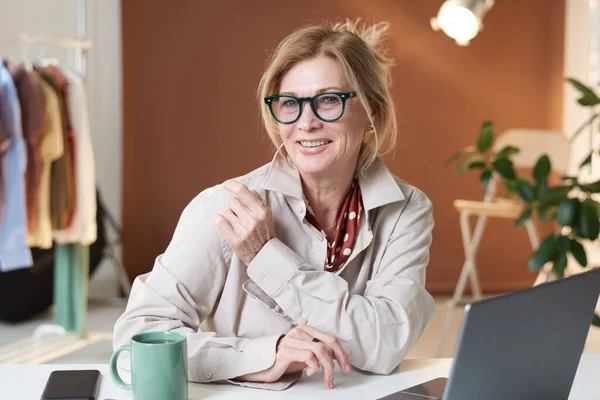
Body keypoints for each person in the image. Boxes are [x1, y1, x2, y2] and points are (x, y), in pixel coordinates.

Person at [113, 19, 436, 391]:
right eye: (290, 103)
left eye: (329, 100)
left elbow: (386, 344)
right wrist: (262, 356)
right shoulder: (228, 207)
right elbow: (137, 338)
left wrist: (268, 257)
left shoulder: (407, 209)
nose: (307, 122)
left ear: (372, 113)